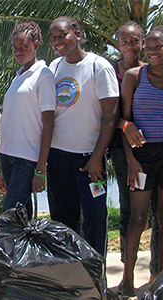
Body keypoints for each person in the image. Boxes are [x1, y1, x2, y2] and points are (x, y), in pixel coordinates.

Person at [117, 26, 163, 298]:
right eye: (148, 47)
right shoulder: (134, 77)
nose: (151, 51)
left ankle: (160, 278)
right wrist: (130, 159)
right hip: (143, 156)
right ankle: (127, 280)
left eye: (158, 47)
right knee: (138, 218)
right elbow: (122, 120)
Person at [46, 16, 119, 257]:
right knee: (62, 222)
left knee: (94, 221)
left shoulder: (99, 66)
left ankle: (97, 280)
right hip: (58, 157)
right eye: (53, 37)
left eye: (63, 35)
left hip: (89, 160)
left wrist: (97, 158)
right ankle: (70, 280)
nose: (57, 41)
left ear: (77, 34)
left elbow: (110, 116)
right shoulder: (54, 67)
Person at [110, 22, 161, 281]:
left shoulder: (154, 71)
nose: (130, 46)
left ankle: (156, 272)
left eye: (135, 41)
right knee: (129, 208)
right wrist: (124, 125)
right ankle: (126, 269)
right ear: (117, 43)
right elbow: (106, 113)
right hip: (122, 149)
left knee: (157, 209)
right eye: (124, 41)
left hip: (154, 147)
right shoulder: (110, 71)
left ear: (143, 43)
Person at [0, 21, 56, 218]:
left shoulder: (43, 75)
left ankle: (6, 248)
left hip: (27, 158)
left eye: (24, 47)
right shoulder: (18, 76)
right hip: (7, 155)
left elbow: (48, 124)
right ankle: (27, 250)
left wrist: (40, 169)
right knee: (23, 213)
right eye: (15, 48)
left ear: (36, 45)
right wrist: (3, 171)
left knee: (11, 212)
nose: (19, 52)